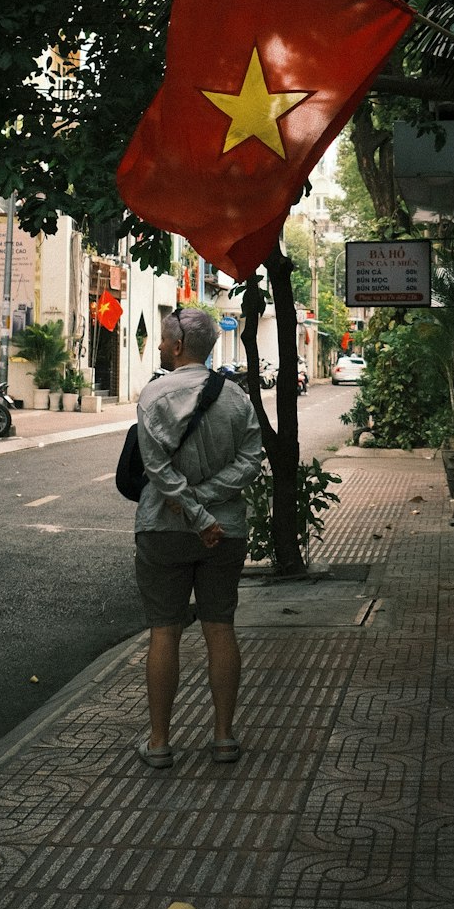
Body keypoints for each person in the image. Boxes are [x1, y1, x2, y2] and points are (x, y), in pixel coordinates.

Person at [133, 305, 263, 767]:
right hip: (224, 533)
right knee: (220, 627)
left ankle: (160, 742)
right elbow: (251, 460)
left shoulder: (153, 396)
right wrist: (208, 508)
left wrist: (190, 507)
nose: (163, 345)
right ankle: (225, 738)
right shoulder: (236, 398)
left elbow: (156, 469)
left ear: (178, 346)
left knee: (164, 633)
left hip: (163, 530)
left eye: (166, 339)